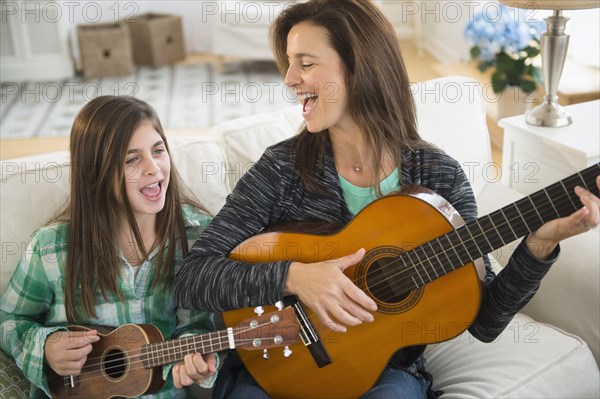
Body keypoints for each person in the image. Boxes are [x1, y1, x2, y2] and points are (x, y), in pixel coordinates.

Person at [174, 1, 600, 398]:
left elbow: (485, 323)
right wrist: (295, 277)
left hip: (386, 375)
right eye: (289, 64)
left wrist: (539, 244)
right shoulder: (282, 168)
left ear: (361, 68)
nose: (289, 79)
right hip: (274, 366)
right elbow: (192, 278)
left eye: (305, 63)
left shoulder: (438, 175)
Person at [0, 96, 218, 398]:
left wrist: (193, 360)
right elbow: (9, 321)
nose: (154, 168)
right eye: (131, 159)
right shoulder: (51, 248)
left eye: (158, 150)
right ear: (97, 173)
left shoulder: (197, 237)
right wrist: (45, 347)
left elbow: (196, 325)